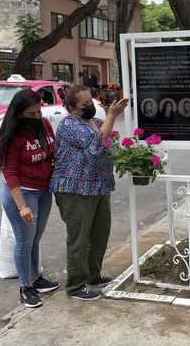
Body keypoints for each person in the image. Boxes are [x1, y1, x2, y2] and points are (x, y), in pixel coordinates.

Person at [50, 85, 128, 301]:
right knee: (80, 239)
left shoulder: (97, 123)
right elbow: (95, 147)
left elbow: (111, 144)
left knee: (100, 234)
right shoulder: (69, 125)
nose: (90, 107)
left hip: (100, 187)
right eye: (84, 104)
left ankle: (93, 276)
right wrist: (112, 115)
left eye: (90, 102)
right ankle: (76, 286)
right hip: (75, 190)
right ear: (72, 107)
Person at [0, 89, 59, 308]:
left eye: (38, 111)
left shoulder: (45, 125)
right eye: (31, 114)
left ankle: (35, 278)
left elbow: (53, 155)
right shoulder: (11, 135)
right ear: (19, 114)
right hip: (22, 193)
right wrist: (22, 206)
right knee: (24, 240)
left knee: (35, 238)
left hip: (43, 190)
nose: (37, 117)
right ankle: (26, 288)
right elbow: (9, 171)